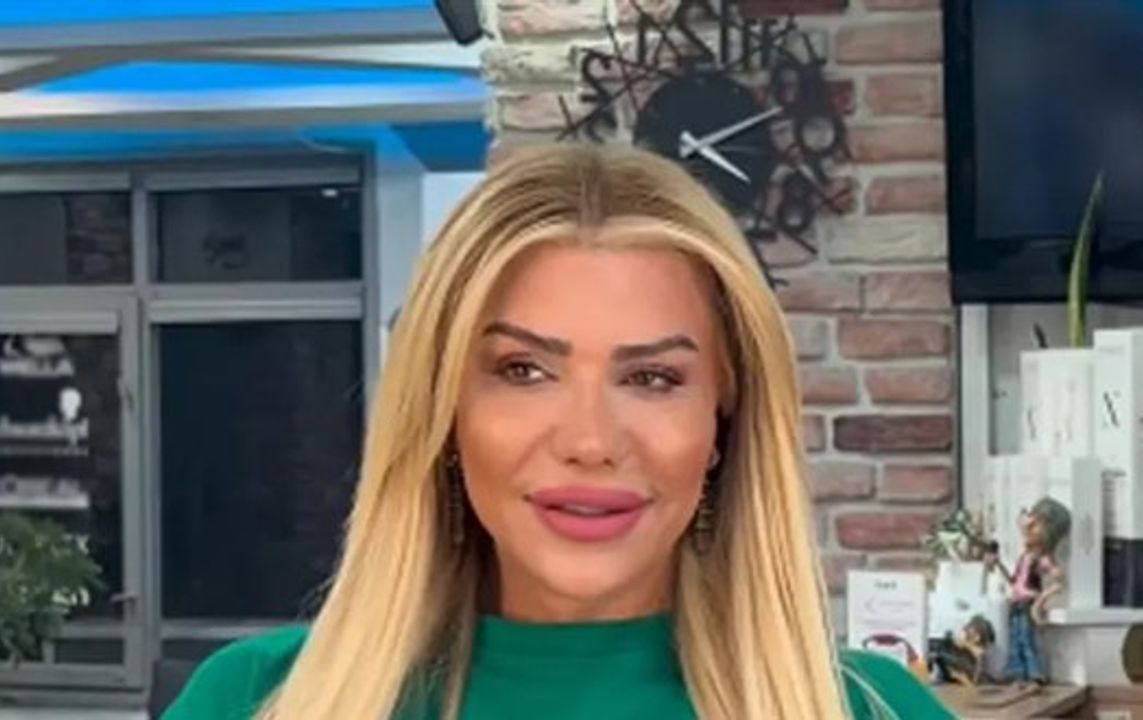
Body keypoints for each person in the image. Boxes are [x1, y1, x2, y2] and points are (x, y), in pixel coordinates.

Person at [163, 144, 953, 719]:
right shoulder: (258, 701)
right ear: (444, 411)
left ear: (723, 421)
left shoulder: (872, 710)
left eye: (653, 378)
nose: (590, 441)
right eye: (524, 370)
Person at [984, 497, 1071, 686]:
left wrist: (1040, 601)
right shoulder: (1025, 557)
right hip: (1017, 603)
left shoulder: (1043, 559)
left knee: (1026, 638)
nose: (1028, 526)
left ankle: (1034, 673)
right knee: (1015, 639)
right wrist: (998, 564)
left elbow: (1060, 582)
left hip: (1027, 604)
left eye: (1036, 523)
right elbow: (1014, 581)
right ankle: (1018, 672)